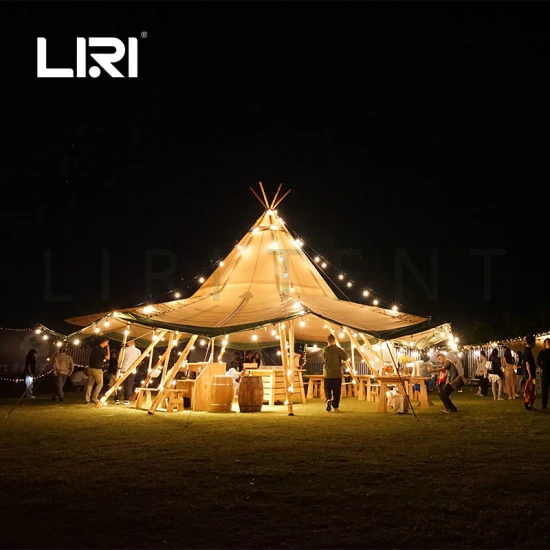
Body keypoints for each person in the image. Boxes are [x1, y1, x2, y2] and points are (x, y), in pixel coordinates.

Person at [322, 334, 347, 412]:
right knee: (337, 391)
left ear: (327, 341)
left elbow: (323, 359)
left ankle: (328, 399)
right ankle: (335, 407)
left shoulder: (324, 350)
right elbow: (345, 358)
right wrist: (343, 351)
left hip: (327, 374)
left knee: (327, 389)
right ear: (334, 341)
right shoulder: (338, 349)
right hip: (337, 374)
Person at [115, 340, 141, 405]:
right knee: (129, 385)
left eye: (128, 342)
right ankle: (126, 399)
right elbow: (139, 361)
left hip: (123, 369)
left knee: (120, 385)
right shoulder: (138, 351)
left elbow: (120, 359)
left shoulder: (124, 349)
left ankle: (117, 399)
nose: (127, 343)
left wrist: (118, 367)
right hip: (132, 370)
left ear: (131, 342)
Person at [85, 337, 110, 404]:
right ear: (105, 342)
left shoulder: (94, 348)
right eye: (107, 343)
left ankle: (87, 400)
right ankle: (94, 398)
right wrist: (108, 348)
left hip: (90, 368)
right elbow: (108, 357)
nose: (107, 344)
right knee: (100, 384)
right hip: (97, 369)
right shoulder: (102, 350)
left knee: (90, 385)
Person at [524, 335, 537, 411]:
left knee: (530, 389)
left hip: (530, 373)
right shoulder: (527, 351)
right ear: (532, 343)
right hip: (530, 374)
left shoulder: (526, 351)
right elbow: (527, 363)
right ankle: (528, 405)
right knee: (530, 390)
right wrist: (530, 374)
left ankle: (528, 405)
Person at [536, 337, 550, 410]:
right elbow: (538, 361)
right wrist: (542, 367)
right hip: (545, 372)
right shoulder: (542, 352)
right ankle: (544, 404)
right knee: (544, 389)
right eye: (548, 342)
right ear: (545, 344)